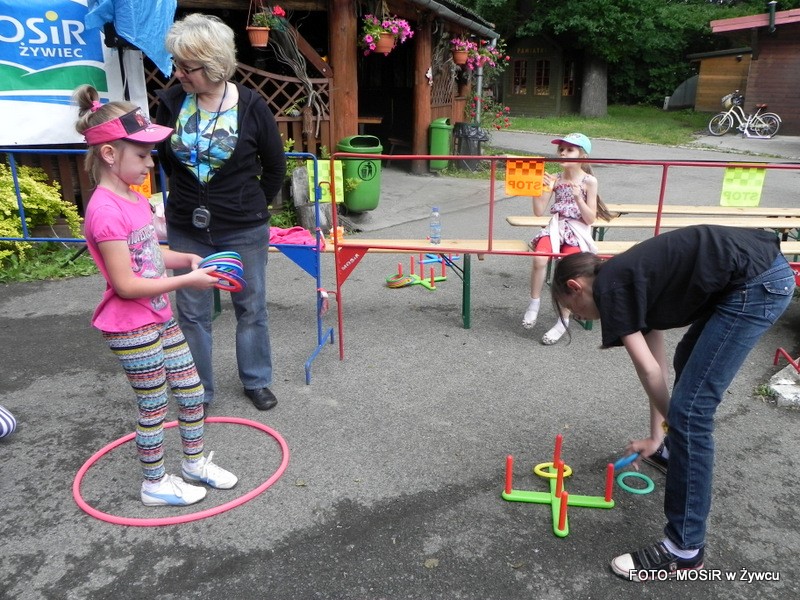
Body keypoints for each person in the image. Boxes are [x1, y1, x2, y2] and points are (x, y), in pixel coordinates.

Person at [550, 225, 795, 580]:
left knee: (691, 414)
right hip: (752, 274)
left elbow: (649, 371)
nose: (579, 317)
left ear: (576, 287)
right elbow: (659, 365)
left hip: (756, 284)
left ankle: (684, 548)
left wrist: (679, 424)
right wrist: (659, 435)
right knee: (686, 359)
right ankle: (670, 450)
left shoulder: (611, 290)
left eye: (572, 309)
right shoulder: (626, 277)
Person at [74, 85, 238, 507]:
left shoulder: (134, 199)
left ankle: (194, 464)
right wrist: (187, 281)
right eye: (143, 155)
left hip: (159, 316)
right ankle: (154, 484)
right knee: (154, 404)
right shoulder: (105, 211)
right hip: (130, 325)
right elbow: (126, 285)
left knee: (191, 390)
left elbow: (148, 253)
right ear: (109, 154)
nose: (151, 163)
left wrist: (186, 259)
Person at [155, 14, 286, 411]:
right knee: (192, 312)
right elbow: (166, 158)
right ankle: (199, 391)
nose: (178, 73)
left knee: (251, 307)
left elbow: (275, 167)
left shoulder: (252, 106)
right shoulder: (171, 102)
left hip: (244, 227)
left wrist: (249, 205)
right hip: (186, 226)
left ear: (213, 66)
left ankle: (256, 380)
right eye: (177, 64)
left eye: (187, 67)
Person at [522, 133, 611, 345]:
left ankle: (564, 319)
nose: (563, 153)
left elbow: (590, 218)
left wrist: (578, 197)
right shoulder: (555, 178)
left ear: (582, 155)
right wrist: (537, 188)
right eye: (561, 149)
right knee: (539, 259)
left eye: (570, 150)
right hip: (556, 226)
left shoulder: (589, 181)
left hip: (577, 230)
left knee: (570, 272)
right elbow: (538, 211)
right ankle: (534, 303)